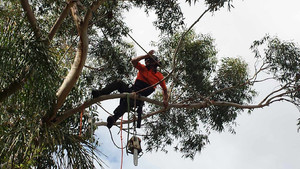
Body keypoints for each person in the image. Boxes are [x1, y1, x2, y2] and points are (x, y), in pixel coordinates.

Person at [92, 50, 168, 128]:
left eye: (149, 61)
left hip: (140, 97)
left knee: (128, 101)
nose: (147, 63)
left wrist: (165, 100)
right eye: (146, 61)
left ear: (154, 62)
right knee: (119, 83)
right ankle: (100, 93)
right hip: (132, 90)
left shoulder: (159, 76)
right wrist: (146, 55)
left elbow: (165, 90)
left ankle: (114, 118)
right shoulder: (143, 68)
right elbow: (133, 61)